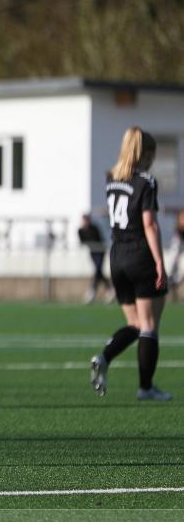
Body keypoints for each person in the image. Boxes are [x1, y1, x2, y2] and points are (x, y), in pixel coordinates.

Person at [90, 127, 170, 401]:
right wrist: (160, 263)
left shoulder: (112, 179)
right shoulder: (146, 181)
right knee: (149, 325)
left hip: (117, 257)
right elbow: (150, 224)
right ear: (146, 154)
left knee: (135, 324)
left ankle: (104, 357)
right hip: (139, 255)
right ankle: (146, 388)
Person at [77, 214, 111, 303]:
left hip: (100, 252)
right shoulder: (80, 230)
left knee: (97, 269)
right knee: (98, 271)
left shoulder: (94, 228)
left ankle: (92, 291)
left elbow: (99, 239)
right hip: (92, 252)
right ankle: (109, 290)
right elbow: (82, 242)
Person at [166, 210, 184, 299]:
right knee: (172, 264)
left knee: (180, 269)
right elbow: (175, 252)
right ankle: (171, 283)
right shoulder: (178, 234)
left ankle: (175, 284)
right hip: (176, 251)